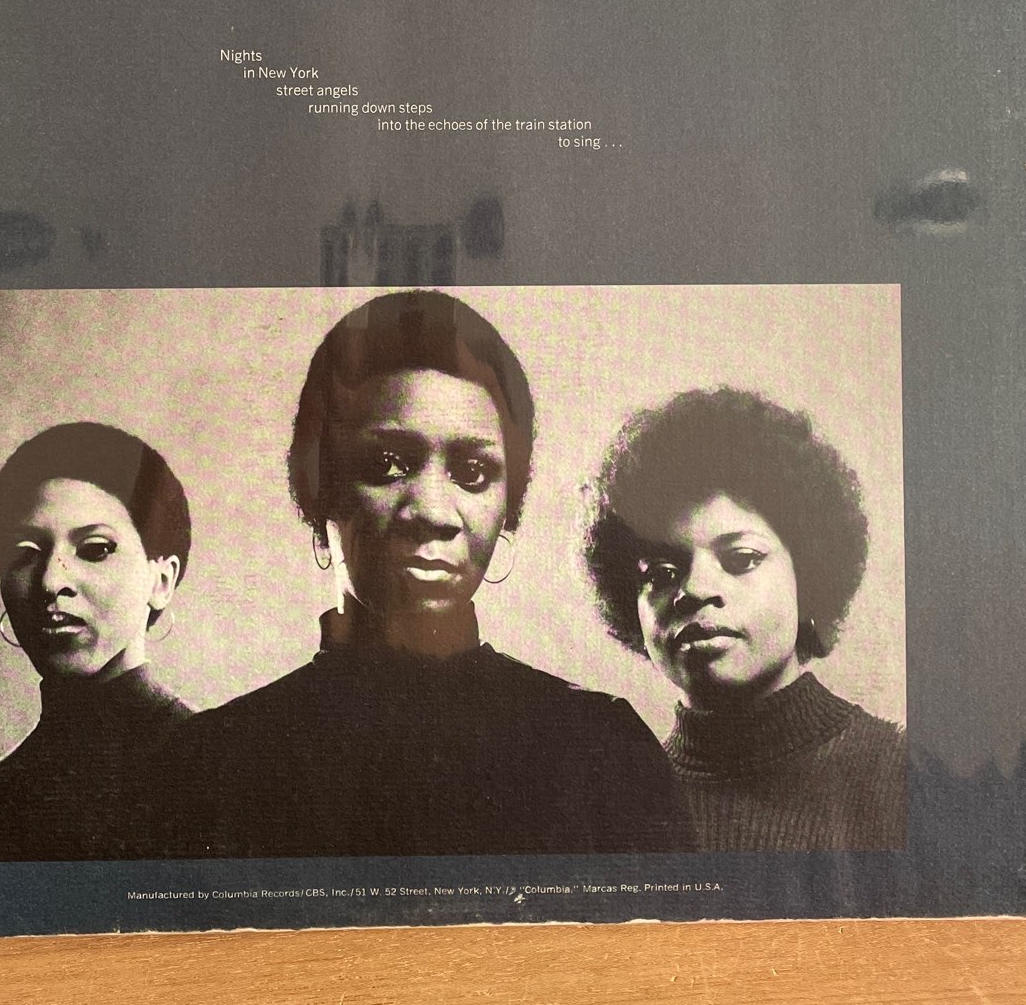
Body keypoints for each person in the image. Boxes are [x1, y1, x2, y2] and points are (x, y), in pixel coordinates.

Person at [179, 290, 676, 858]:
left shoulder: (604, 752)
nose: (434, 513)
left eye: (473, 472)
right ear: (319, 489)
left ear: (508, 508)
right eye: (388, 464)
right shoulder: (209, 766)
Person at [584, 387, 906, 851]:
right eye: (662, 573)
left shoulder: (905, 777)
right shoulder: (617, 811)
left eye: (741, 559)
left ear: (808, 576)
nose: (695, 590)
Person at [0, 421, 193, 861]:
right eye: (24, 554)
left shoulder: (220, 770)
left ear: (162, 581)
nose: (51, 582)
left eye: (95, 549)